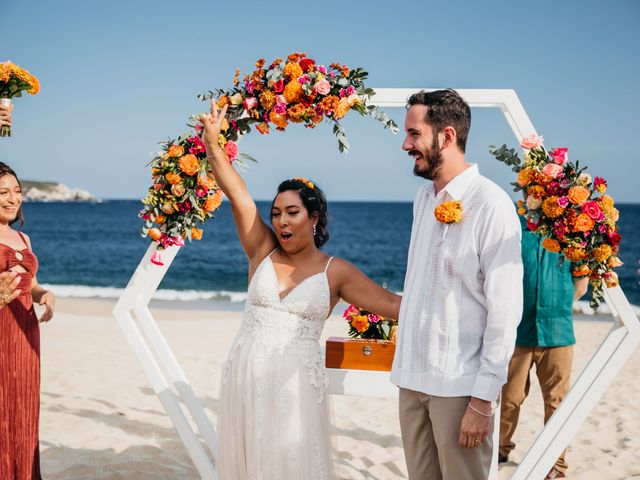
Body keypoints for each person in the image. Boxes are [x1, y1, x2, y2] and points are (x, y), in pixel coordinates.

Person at [197, 100, 401, 479]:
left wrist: (454, 309)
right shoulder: (262, 248)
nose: (282, 221)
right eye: (276, 213)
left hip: (296, 386)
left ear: (314, 217)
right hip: (247, 375)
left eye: (292, 212)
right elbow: (239, 195)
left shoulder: (334, 271)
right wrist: (213, 145)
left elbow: (391, 304)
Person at [390, 89, 523, 479]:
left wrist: (483, 401)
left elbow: (505, 310)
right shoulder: (421, 200)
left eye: (414, 134)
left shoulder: (492, 205)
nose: (405, 144)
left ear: (446, 136)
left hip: (460, 386)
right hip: (412, 379)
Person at [499, 217, 589, 479]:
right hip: (519, 332)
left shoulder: (570, 235)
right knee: (510, 399)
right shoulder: (514, 233)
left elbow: (581, 284)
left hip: (558, 333)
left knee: (557, 403)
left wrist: (558, 306)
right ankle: (501, 450)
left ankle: (556, 464)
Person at [0, 162, 55, 480]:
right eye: (3, 192)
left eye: (17, 191)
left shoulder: (24, 238)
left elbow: (30, 284)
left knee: (23, 407)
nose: (12, 199)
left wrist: (44, 293)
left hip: (26, 333)